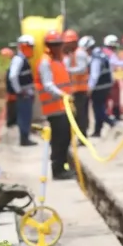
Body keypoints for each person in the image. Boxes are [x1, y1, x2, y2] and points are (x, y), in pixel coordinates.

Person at [36, 30, 74, 180]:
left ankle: (63, 166)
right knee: (59, 139)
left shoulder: (58, 60)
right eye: (54, 45)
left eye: (59, 44)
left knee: (65, 137)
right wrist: (63, 95)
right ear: (48, 46)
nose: (57, 47)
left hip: (63, 107)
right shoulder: (46, 62)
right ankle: (58, 170)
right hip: (54, 109)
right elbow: (48, 85)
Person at [82, 36, 115, 138]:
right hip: (105, 86)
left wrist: (89, 88)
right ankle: (97, 130)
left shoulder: (96, 58)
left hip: (100, 87)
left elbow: (94, 75)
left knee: (98, 109)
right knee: (99, 107)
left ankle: (112, 123)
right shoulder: (101, 54)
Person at [5, 37, 36, 146]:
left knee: (27, 116)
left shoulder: (23, 59)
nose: (32, 49)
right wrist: (19, 91)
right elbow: (13, 76)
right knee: (24, 116)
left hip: (27, 94)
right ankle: (24, 139)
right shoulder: (18, 59)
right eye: (31, 47)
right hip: (24, 95)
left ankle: (26, 137)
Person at [62, 29, 90, 135]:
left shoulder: (79, 53)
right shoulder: (72, 54)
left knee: (80, 114)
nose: (67, 45)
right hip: (75, 89)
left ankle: (82, 135)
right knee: (77, 114)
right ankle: (78, 134)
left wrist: (67, 71)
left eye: (68, 43)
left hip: (81, 90)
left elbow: (82, 69)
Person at [1, 47, 19, 129]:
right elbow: (11, 77)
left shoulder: (11, 64)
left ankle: (12, 121)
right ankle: (11, 121)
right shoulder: (11, 64)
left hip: (11, 89)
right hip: (11, 89)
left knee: (12, 105)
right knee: (12, 105)